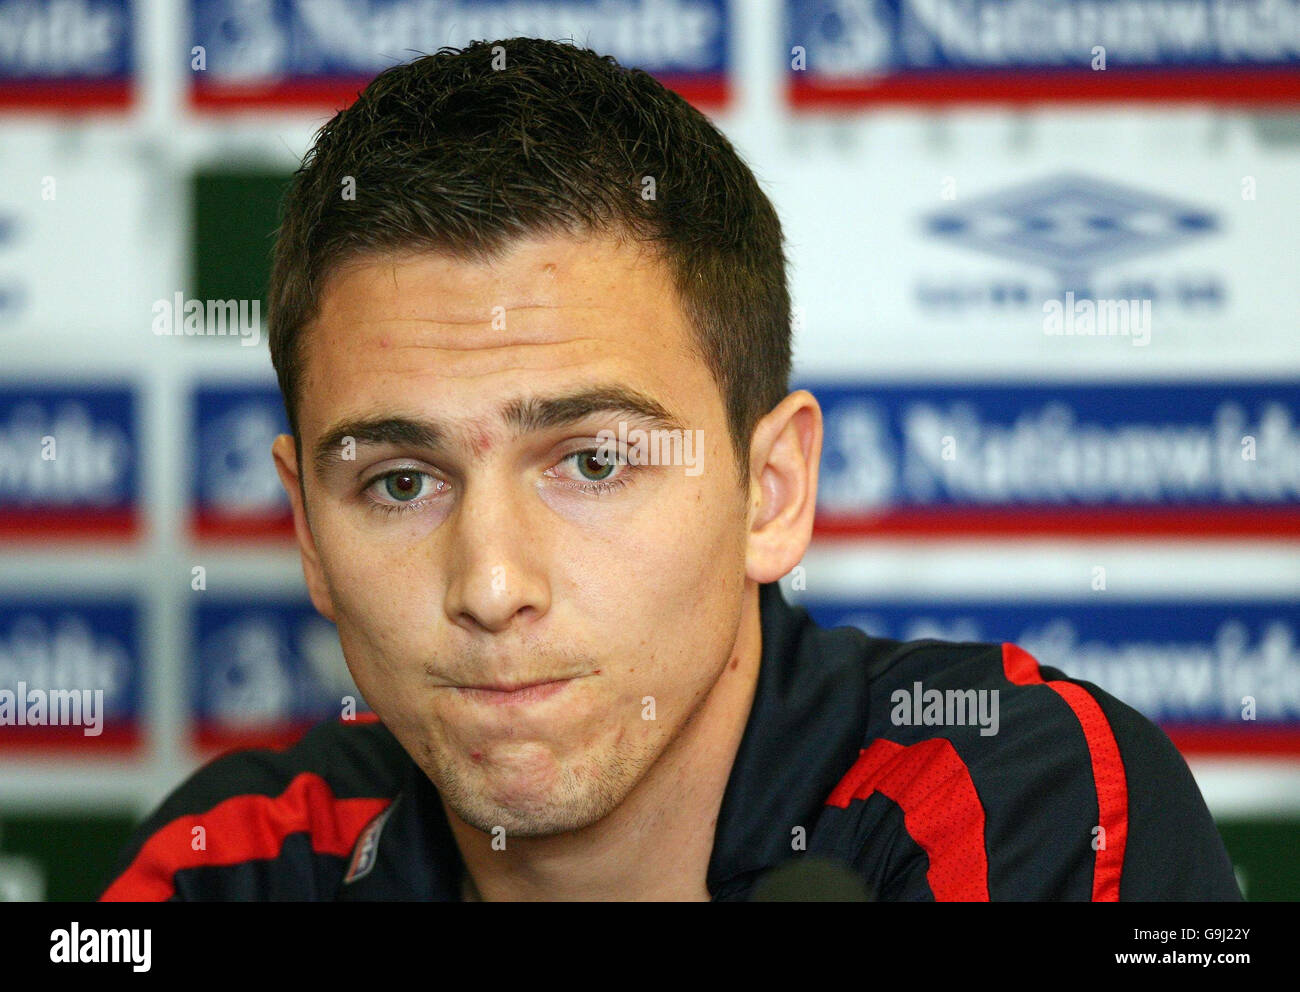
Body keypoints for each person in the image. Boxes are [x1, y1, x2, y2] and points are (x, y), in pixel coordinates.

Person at [99, 38, 1241, 901]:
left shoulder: (1024, 802)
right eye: (401, 480)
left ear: (774, 491)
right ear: (306, 531)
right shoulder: (234, 861)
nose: (490, 584)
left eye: (592, 461)